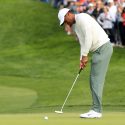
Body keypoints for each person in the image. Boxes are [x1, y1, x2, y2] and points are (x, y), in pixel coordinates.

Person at [58, 8, 113, 118]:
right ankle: (95, 109)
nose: (67, 24)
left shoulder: (82, 18)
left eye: (65, 21)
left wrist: (85, 56)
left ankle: (96, 110)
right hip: (98, 51)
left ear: (68, 14)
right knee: (93, 80)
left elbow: (89, 37)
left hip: (103, 48)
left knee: (96, 80)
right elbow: (83, 42)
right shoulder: (75, 25)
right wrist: (81, 59)